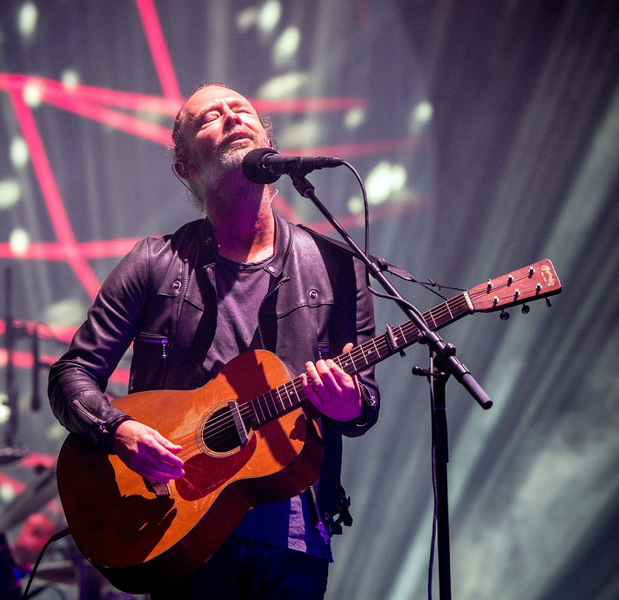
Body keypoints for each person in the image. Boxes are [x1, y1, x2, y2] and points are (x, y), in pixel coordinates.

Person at [48, 83, 380, 599]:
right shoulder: (154, 262)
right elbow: (71, 376)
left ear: (268, 143)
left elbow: (364, 406)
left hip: (295, 537)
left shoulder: (337, 266)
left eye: (241, 110)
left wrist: (348, 401)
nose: (230, 118)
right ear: (186, 167)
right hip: (179, 528)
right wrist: (119, 431)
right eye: (210, 117)